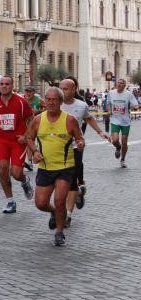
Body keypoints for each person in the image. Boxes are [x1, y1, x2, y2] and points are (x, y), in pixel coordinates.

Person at [26, 87, 85, 246]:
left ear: (60, 102)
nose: (51, 103)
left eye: (55, 100)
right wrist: (35, 152)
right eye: (49, 99)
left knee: (60, 200)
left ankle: (59, 232)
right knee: (40, 203)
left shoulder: (69, 120)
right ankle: (53, 212)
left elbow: (80, 139)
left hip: (65, 167)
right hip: (45, 167)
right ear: (45, 101)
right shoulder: (38, 119)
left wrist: (80, 144)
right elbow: (29, 138)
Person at [58, 79, 110, 227]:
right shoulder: (55, 103)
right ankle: (76, 196)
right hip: (56, 149)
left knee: (71, 182)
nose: (62, 91)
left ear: (74, 89)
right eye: (60, 88)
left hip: (75, 148)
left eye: (66, 89)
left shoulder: (81, 105)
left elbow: (89, 118)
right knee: (60, 182)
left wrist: (101, 132)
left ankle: (68, 215)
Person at [0, 76, 34, 213]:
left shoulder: (21, 102)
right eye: (1, 84)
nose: (4, 86)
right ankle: (10, 201)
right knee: (3, 169)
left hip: (17, 141)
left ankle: (24, 180)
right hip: (2, 141)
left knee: (16, 173)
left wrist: (26, 136)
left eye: (7, 84)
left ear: (12, 86)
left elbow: (32, 120)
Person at [106, 78, 139, 168]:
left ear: (124, 86)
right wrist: (109, 110)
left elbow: (135, 105)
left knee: (124, 142)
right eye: (118, 83)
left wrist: (134, 106)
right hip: (115, 120)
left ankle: (122, 160)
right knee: (115, 140)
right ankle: (118, 147)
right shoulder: (111, 93)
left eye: (121, 83)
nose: (119, 84)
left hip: (125, 121)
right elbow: (108, 102)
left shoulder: (128, 94)